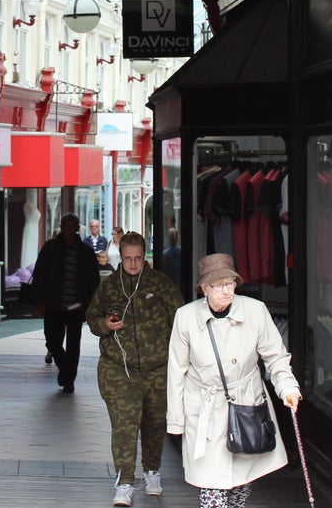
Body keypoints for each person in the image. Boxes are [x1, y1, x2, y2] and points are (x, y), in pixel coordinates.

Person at [167, 254, 301, 508]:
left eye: (230, 283)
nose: (226, 290)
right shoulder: (185, 318)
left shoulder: (255, 311)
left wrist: (288, 388)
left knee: (240, 486)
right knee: (213, 490)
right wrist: (176, 422)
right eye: (218, 285)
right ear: (204, 288)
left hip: (246, 409)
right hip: (204, 414)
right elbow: (176, 373)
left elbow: (276, 356)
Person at [86, 231, 184, 507]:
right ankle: (125, 481)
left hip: (156, 368)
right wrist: (106, 325)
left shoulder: (161, 284)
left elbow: (182, 319)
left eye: (138, 258)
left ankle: (151, 472)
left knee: (154, 423)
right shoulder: (109, 286)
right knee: (125, 426)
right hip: (118, 368)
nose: (132, 264)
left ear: (144, 257)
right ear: (121, 255)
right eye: (128, 258)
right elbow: (92, 318)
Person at [31, 212, 101, 393]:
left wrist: (89, 303)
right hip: (54, 304)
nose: (69, 231)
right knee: (52, 341)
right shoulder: (50, 248)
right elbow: (39, 275)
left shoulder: (85, 252)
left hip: (76, 306)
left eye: (73, 227)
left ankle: (69, 380)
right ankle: (66, 370)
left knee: (73, 344)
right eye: (66, 227)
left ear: (77, 229)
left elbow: (94, 279)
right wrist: (39, 300)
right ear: (62, 228)